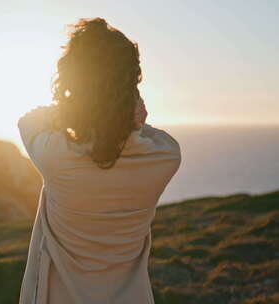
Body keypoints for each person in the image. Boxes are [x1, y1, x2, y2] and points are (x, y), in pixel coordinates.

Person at [17, 17, 181, 304]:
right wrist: (131, 119)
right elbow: (153, 135)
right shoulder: (163, 158)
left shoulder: (55, 155)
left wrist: (76, 108)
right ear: (131, 84)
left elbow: (29, 120)